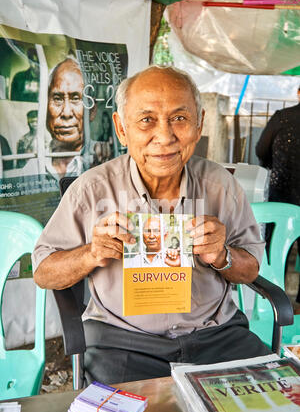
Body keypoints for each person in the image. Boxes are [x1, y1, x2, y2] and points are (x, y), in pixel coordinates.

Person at [32, 65, 270, 386]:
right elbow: (44, 272)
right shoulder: (92, 190)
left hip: (216, 336)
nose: (165, 136)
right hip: (123, 342)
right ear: (121, 128)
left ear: (199, 124)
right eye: (146, 120)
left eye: (179, 119)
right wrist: (91, 253)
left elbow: (251, 270)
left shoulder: (220, 185)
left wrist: (223, 256)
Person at [256, 86, 300, 314]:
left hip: (281, 198)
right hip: (284, 196)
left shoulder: (282, 118)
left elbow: (261, 150)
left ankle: (274, 305)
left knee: (275, 255)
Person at [46, 57, 98, 180]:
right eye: (57, 99)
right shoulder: (32, 164)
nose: (66, 113)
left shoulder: (105, 160)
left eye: (76, 98)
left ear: (92, 111)